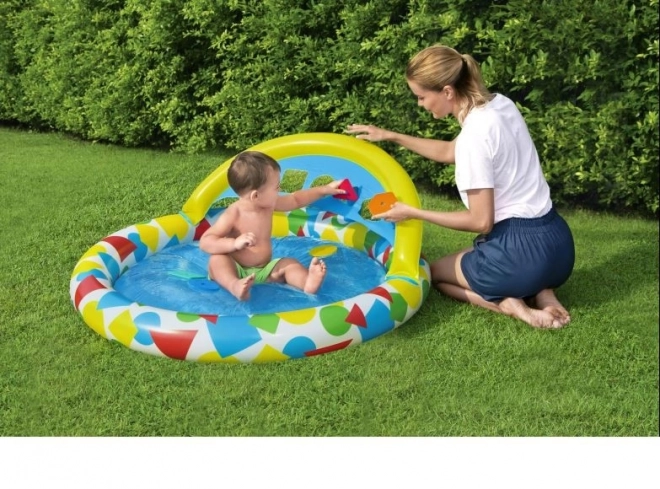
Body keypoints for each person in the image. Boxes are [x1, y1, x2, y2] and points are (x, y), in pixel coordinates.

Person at [345, 44, 575, 329]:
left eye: (421, 97)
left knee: (433, 273)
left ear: (447, 92)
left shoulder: (474, 138)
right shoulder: (500, 104)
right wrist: (390, 135)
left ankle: (515, 307)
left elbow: (481, 221)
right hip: (559, 247)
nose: (420, 104)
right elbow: (448, 151)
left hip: (519, 253)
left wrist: (413, 213)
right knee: (501, 264)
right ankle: (544, 291)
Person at [199, 150, 345, 300]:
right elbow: (206, 241)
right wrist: (234, 243)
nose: (279, 190)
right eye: (276, 187)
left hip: (265, 271)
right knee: (217, 260)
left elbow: (296, 199)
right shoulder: (233, 214)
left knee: (289, 264)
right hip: (236, 269)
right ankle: (234, 285)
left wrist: (323, 190)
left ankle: (307, 282)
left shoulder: (268, 204)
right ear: (255, 195)